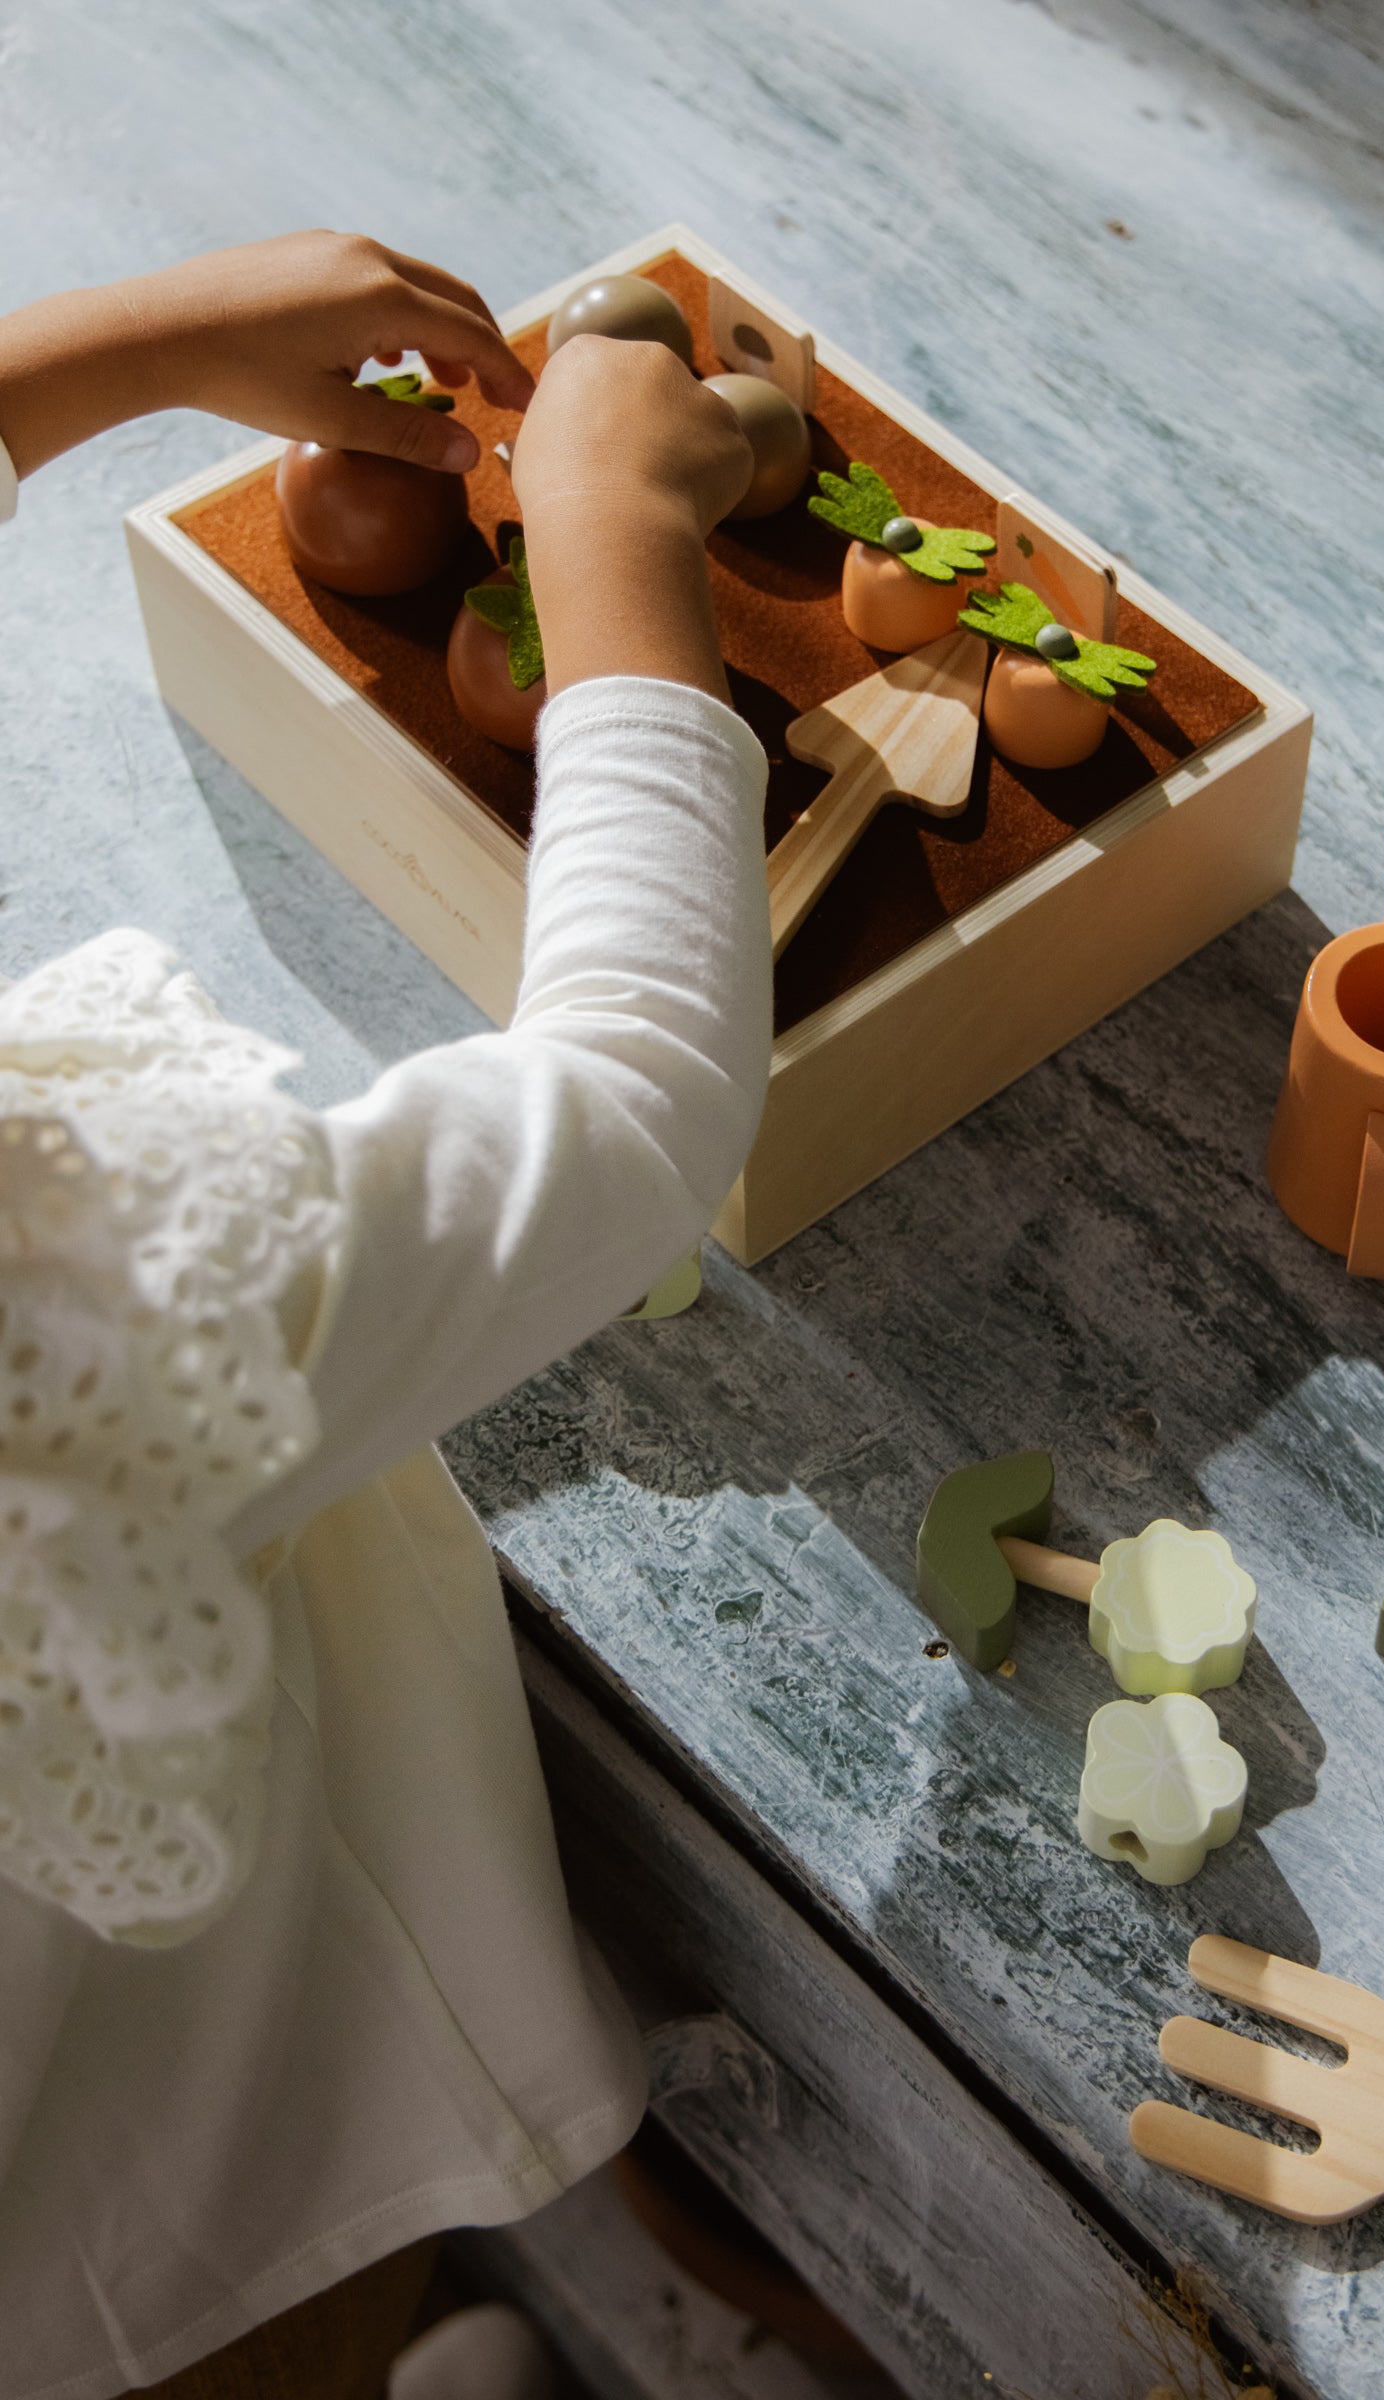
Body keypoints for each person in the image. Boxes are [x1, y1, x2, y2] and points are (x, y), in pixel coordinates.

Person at [0, 231, 770, 2398]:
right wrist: (617, 553)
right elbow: (633, 1096)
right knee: (286, 2318)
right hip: (148, 2227)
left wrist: (97, 350)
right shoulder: (80, 1333)